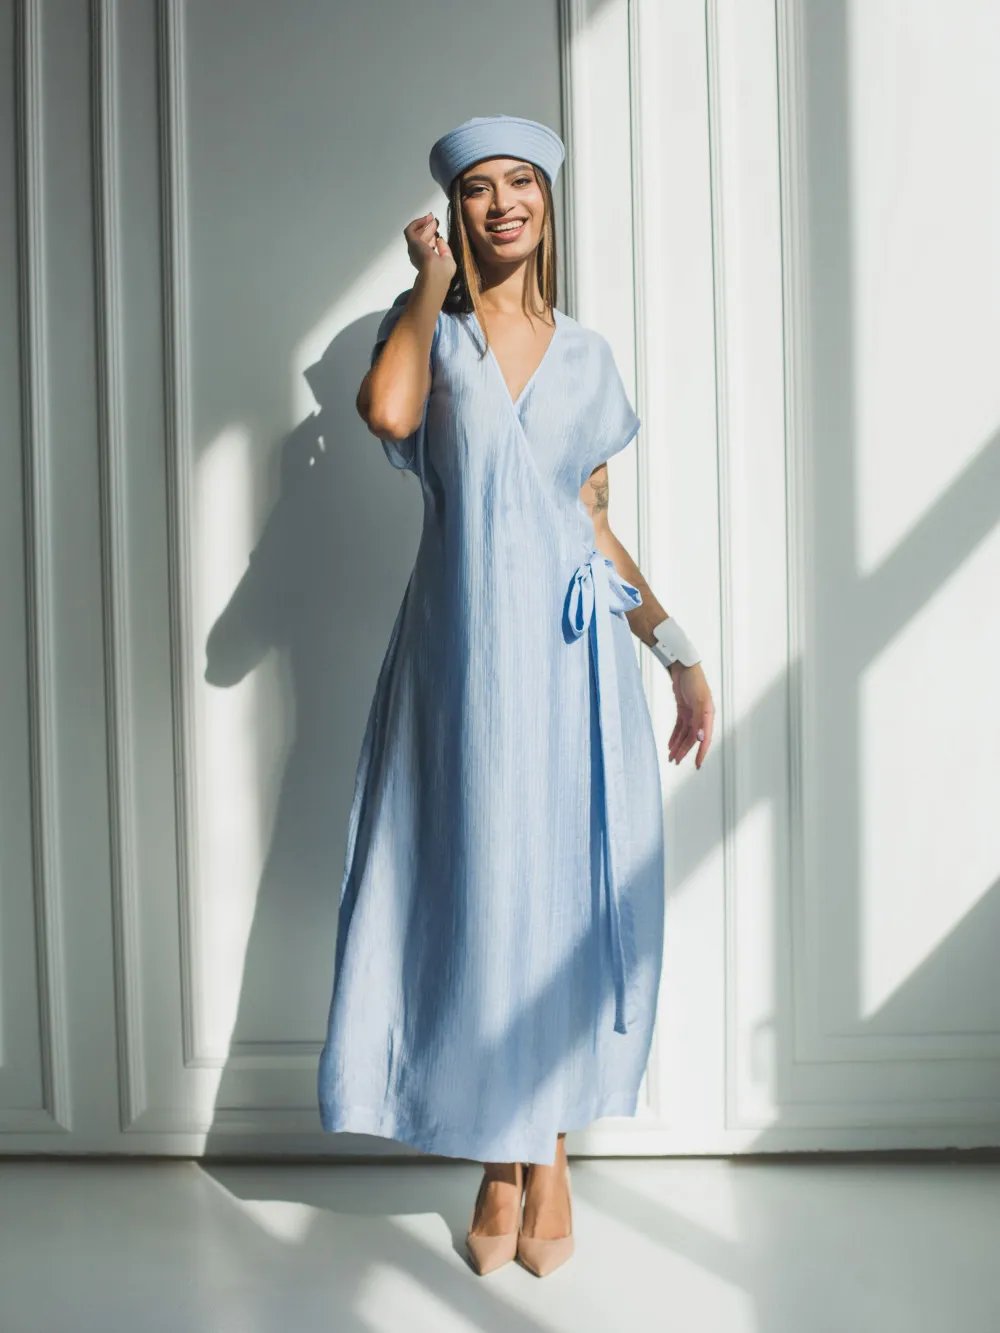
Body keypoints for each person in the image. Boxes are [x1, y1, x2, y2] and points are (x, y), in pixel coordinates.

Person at [317, 114, 715, 1277]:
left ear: (546, 200)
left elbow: (594, 530)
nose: (502, 204)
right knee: (481, 897)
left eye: (520, 183)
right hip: (463, 668)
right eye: (479, 188)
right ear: (453, 210)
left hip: (574, 669)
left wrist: (676, 651)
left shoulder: (587, 358)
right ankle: (502, 1146)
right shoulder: (431, 339)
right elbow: (387, 416)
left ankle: (543, 1148)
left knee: (561, 902)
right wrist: (426, 282)